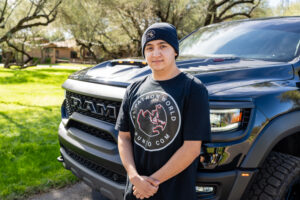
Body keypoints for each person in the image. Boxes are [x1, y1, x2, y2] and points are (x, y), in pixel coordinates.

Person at [115, 22, 211, 200]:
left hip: (174, 192)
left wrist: (150, 183)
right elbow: (124, 137)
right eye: (149, 48)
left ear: (175, 50)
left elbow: (191, 149)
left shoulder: (193, 89)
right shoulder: (134, 89)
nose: (156, 53)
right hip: (136, 191)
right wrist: (134, 177)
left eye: (163, 46)